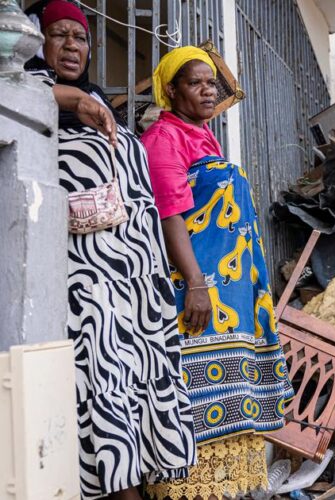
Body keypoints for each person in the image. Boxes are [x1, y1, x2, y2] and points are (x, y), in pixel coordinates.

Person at [23, 2, 197, 499]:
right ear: (39, 41)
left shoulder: (99, 99)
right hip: (88, 277)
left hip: (137, 279)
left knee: (142, 376)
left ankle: (143, 480)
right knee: (100, 378)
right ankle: (120, 490)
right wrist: (73, 99)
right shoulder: (28, 90)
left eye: (80, 38)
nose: (72, 46)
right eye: (60, 36)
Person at [141, 46, 294, 500]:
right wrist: (197, 284)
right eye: (195, 82)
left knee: (230, 399)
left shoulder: (202, 136)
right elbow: (170, 214)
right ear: (171, 90)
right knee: (190, 396)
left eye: (212, 83)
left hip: (231, 300)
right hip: (196, 293)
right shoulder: (164, 138)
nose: (208, 90)